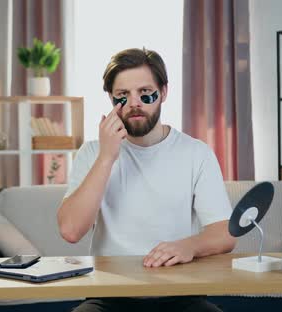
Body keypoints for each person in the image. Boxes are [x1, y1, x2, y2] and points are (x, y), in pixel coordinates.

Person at [57, 48, 235, 312]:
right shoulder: (93, 153)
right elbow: (71, 230)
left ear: (163, 93)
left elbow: (226, 233)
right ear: (111, 99)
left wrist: (190, 245)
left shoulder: (196, 153)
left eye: (145, 93)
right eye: (123, 96)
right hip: (108, 298)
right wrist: (107, 157)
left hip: (181, 296)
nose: (134, 104)